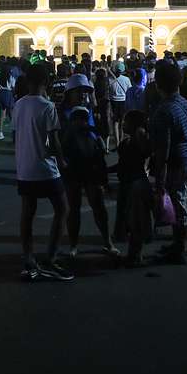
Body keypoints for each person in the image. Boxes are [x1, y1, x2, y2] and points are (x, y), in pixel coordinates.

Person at [13, 61, 72, 281]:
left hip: (25, 167)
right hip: (45, 168)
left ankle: (28, 256)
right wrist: (62, 160)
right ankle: (51, 256)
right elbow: (54, 140)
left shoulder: (18, 105)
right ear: (46, 82)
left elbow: (15, 135)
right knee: (62, 208)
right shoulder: (47, 107)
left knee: (27, 213)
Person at [149, 60, 187, 264]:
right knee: (186, 207)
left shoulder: (163, 111)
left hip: (178, 164)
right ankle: (179, 244)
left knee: (179, 209)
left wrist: (159, 179)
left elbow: (164, 148)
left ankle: (179, 249)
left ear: (158, 85)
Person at [60, 103, 119, 259]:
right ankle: (75, 244)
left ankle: (107, 242)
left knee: (96, 208)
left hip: (88, 174)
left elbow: (100, 160)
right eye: (78, 119)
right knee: (76, 210)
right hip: (75, 174)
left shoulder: (92, 135)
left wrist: (103, 180)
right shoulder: (69, 134)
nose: (81, 122)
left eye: (83, 119)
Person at [111, 110, 152, 266]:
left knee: (135, 220)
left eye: (126, 122)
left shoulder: (138, 139)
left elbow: (146, 154)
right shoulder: (128, 141)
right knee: (132, 220)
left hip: (135, 183)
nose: (122, 124)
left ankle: (135, 255)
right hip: (129, 183)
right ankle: (133, 254)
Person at [107, 62, 132, 152]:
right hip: (124, 101)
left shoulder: (111, 79)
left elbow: (109, 91)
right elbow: (129, 90)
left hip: (114, 101)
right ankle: (121, 141)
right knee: (122, 122)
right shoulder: (126, 79)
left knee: (115, 122)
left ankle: (117, 142)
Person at [0, 61, 16, 141]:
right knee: (11, 115)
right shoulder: (10, 76)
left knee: (2, 115)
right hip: (8, 94)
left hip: (0, 94)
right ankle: (14, 132)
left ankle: (0, 133)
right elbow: (13, 86)